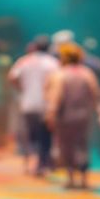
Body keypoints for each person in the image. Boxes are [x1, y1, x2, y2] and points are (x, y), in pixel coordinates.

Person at [46, 43, 100, 190]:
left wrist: (51, 114)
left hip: (65, 117)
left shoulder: (60, 74)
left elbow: (56, 97)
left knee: (67, 146)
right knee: (82, 145)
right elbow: (96, 96)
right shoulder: (87, 73)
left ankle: (71, 178)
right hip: (83, 116)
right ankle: (84, 179)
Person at [10, 36, 59, 175]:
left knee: (31, 135)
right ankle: (43, 164)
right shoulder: (52, 63)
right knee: (45, 136)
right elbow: (57, 81)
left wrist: (22, 89)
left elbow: (12, 76)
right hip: (45, 104)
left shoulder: (24, 61)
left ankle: (31, 164)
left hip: (27, 104)